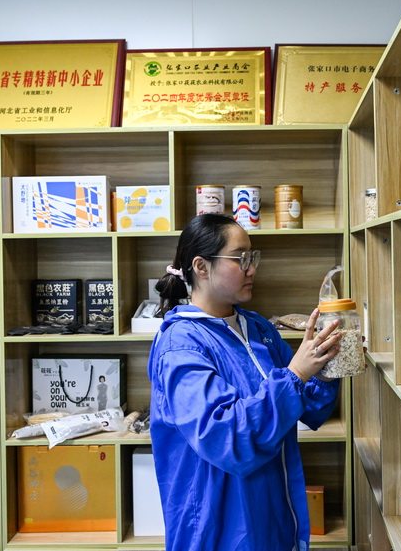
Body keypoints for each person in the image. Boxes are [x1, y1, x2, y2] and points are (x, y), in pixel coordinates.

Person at [147, 213, 342, 551]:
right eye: (240, 259)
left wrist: (328, 362)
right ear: (201, 267)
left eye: (253, 257)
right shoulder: (181, 346)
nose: (251, 269)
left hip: (272, 518)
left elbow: (311, 407)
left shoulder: (259, 329)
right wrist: (296, 374)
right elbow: (226, 438)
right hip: (217, 529)